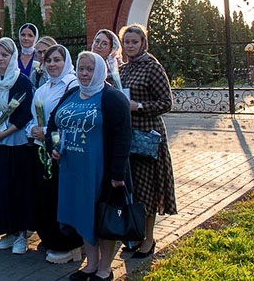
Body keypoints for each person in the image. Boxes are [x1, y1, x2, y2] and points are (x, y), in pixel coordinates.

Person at [46, 52, 132, 281]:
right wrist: (52, 146)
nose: (84, 74)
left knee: (102, 217)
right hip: (72, 172)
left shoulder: (112, 98)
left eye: (89, 69)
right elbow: (53, 124)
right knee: (82, 215)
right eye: (81, 69)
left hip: (100, 172)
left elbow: (123, 137)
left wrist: (117, 173)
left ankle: (105, 268)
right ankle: (90, 265)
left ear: (100, 71)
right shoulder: (72, 93)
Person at [119, 24, 176, 259]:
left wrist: (139, 106)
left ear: (143, 43)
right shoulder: (123, 69)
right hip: (126, 137)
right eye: (127, 42)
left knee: (146, 190)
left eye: (134, 42)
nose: (130, 46)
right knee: (130, 190)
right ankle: (135, 235)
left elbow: (167, 102)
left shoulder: (152, 68)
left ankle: (149, 239)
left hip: (147, 138)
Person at [27, 45, 84, 264]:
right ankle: (51, 238)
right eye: (48, 60)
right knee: (46, 198)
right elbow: (34, 118)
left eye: (57, 60)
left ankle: (69, 244)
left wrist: (47, 134)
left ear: (66, 61)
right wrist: (32, 130)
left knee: (62, 198)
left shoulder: (72, 85)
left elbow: (74, 119)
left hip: (64, 151)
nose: (52, 64)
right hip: (41, 150)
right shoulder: (42, 89)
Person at [0, 38, 35, 255]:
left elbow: (26, 113)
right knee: (1, 187)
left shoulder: (21, 81)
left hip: (17, 141)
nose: (1, 58)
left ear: (12, 57)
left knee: (18, 187)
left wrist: (6, 132)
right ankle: (7, 232)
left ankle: (22, 234)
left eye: (5, 55)